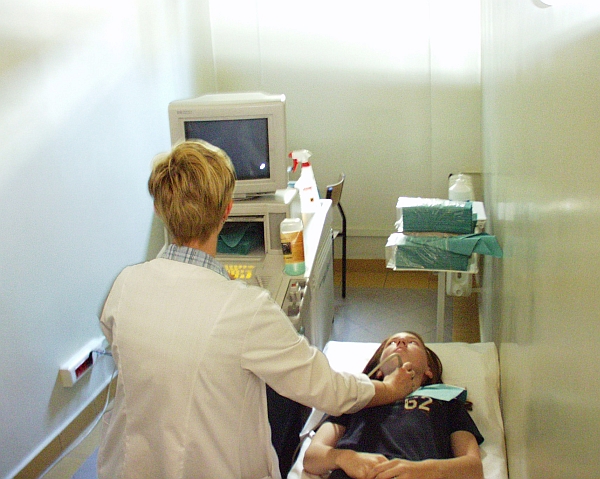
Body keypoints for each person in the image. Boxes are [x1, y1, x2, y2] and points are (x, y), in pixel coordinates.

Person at [97, 140, 416, 479]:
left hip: (127, 467)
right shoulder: (246, 309)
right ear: (227, 211)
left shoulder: (125, 284)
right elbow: (327, 390)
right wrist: (389, 389)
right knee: (285, 398)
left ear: (159, 210)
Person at [303, 331, 484, 479]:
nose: (401, 342)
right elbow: (312, 457)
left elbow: (473, 468)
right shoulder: (356, 397)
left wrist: (421, 470)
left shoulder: (445, 402)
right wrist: (345, 458)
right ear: (379, 370)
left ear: (428, 370)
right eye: (392, 342)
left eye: (412, 342)